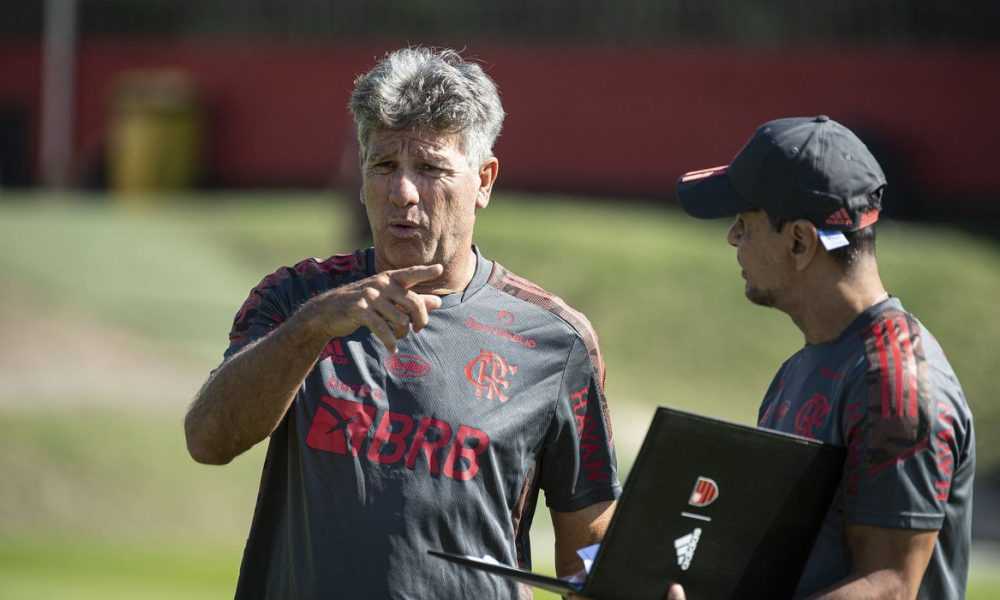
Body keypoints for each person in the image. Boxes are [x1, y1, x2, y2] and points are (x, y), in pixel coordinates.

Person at [183, 47, 621, 599]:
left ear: (484, 181)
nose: (403, 192)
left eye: (431, 168)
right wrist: (310, 329)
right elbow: (209, 440)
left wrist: (638, 583)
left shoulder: (556, 342)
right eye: (384, 165)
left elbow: (589, 543)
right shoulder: (296, 299)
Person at [673, 116, 975, 599]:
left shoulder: (894, 381)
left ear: (799, 241)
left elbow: (890, 586)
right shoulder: (802, 368)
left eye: (745, 223)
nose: (732, 237)